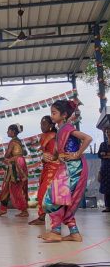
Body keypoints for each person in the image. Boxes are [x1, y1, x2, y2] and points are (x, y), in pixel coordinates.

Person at [39, 100, 92, 242]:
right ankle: (74, 233)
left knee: (52, 198)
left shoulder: (68, 128)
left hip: (73, 168)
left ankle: (56, 232)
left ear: (63, 115)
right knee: (62, 199)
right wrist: (49, 156)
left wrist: (78, 154)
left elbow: (88, 138)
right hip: (66, 166)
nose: (51, 116)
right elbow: (58, 153)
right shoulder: (60, 130)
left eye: (54, 113)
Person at [29, 116, 59, 225]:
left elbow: (54, 154)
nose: (42, 126)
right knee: (43, 193)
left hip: (54, 168)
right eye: (41, 124)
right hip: (47, 168)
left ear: (51, 126)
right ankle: (43, 217)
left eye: (44, 124)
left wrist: (47, 157)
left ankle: (44, 218)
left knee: (44, 193)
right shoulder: (45, 136)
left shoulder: (53, 137)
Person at [0, 124, 29, 217]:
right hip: (14, 165)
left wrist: (6, 159)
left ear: (13, 132)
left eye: (8, 130)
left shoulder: (13, 142)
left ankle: (24, 210)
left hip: (16, 166)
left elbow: (10, 155)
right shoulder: (17, 141)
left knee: (15, 188)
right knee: (6, 187)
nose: (7, 132)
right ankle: (2, 209)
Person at [98, 127, 110, 212]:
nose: (108, 134)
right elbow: (100, 155)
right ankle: (108, 207)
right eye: (107, 132)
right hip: (105, 169)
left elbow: (103, 154)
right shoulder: (103, 144)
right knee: (106, 189)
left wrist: (105, 154)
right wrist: (105, 155)